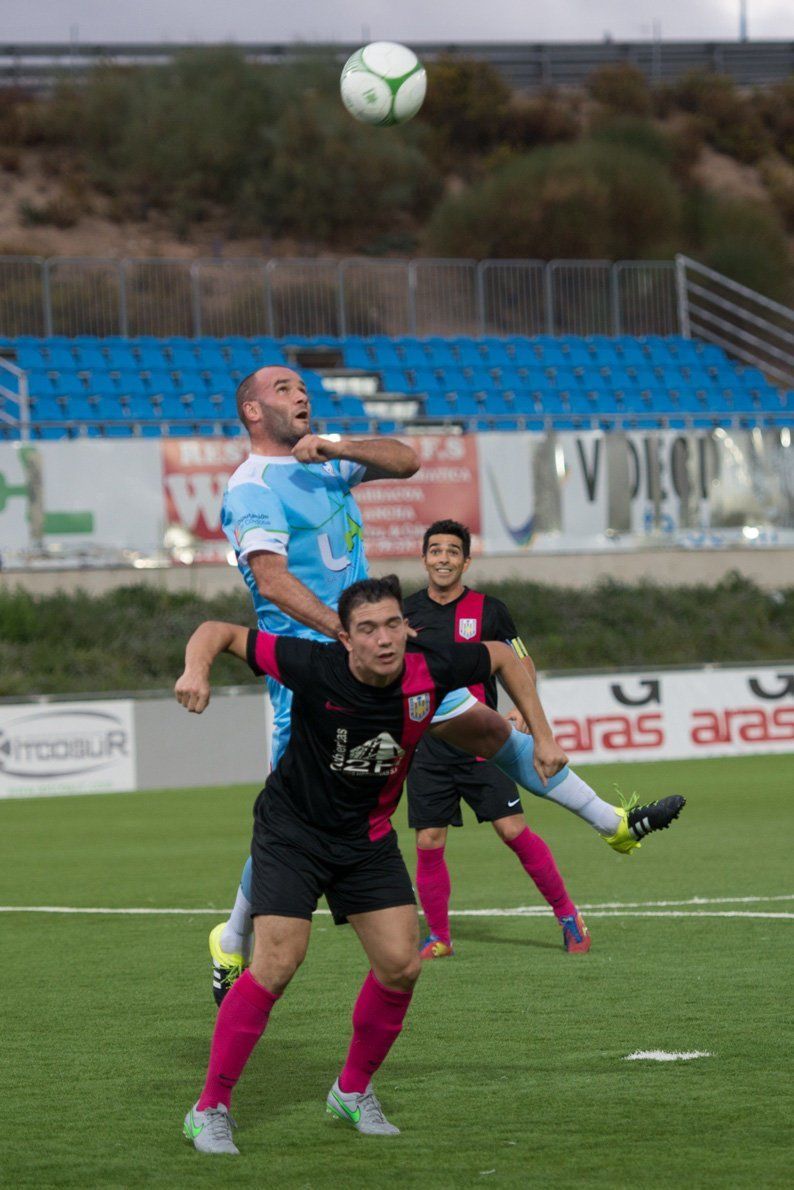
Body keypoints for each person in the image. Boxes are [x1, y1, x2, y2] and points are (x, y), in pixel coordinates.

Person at [210, 364, 686, 1004]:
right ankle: (232, 938)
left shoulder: (324, 461)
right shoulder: (251, 487)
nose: (300, 395)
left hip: (380, 652)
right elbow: (270, 581)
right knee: (298, 809)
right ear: (252, 412)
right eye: (283, 390)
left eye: (302, 387)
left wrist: (341, 447)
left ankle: (614, 823)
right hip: (313, 670)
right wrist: (341, 633)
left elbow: (406, 461)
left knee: (487, 726)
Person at [175, 575, 570, 1154]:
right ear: (346, 636)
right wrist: (195, 669)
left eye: (392, 624)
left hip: (366, 838)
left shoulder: (430, 666)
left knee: (401, 966)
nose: (384, 639)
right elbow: (220, 632)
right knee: (278, 963)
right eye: (368, 629)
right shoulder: (312, 664)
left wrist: (541, 732)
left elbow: (503, 655)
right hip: (293, 833)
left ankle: (351, 1091)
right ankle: (209, 1107)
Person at [405, 519, 589, 956]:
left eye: (452, 551)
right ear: (424, 558)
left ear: (466, 561)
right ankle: (438, 937)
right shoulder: (405, 612)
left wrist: (523, 711)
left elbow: (521, 662)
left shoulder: (490, 610)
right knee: (429, 840)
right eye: (435, 550)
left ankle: (568, 915)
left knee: (512, 829)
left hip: (481, 741)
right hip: (427, 744)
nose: (443, 558)